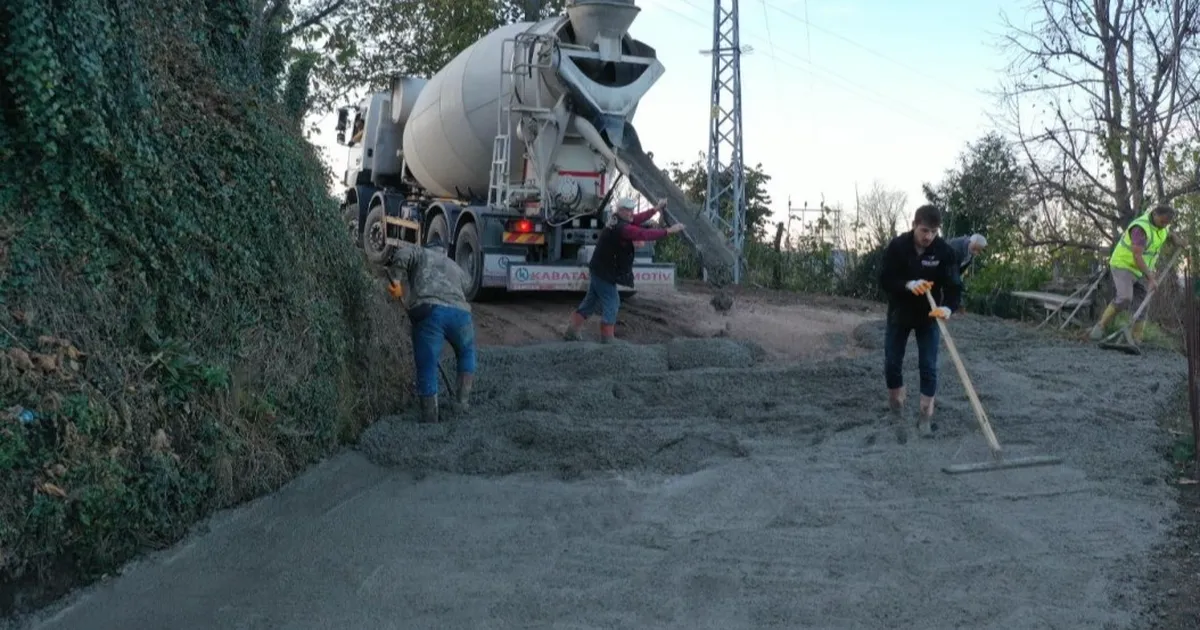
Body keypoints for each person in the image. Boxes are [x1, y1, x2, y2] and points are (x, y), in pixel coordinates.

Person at [879, 204, 963, 437]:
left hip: (929, 316)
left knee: (928, 365)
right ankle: (896, 412)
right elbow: (885, 279)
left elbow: (954, 287)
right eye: (925, 230)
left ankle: (925, 417)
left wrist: (948, 307)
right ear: (914, 224)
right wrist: (907, 285)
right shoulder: (898, 247)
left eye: (934, 232)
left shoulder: (945, 252)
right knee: (893, 362)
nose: (929, 236)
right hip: (900, 313)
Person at [376, 234, 477, 423]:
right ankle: (462, 403)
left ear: (428, 246)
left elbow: (403, 254)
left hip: (431, 313)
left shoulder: (421, 253)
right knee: (466, 353)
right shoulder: (454, 265)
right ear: (444, 251)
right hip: (461, 315)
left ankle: (430, 415)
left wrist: (397, 281)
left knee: (427, 362)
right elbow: (467, 286)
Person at [564, 197, 685, 342]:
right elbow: (642, 234)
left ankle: (572, 331)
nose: (631, 213)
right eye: (628, 210)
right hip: (604, 272)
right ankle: (607, 338)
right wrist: (668, 231)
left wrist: (656, 209)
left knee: (590, 302)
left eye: (632, 209)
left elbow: (637, 218)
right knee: (613, 302)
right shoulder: (622, 228)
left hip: (599, 268)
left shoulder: (616, 219)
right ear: (620, 210)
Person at [1089, 204, 1185, 342]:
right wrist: (1151, 278)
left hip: (1140, 270)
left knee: (1143, 302)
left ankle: (1136, 337)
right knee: (1125, 298)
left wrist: (1176, 239)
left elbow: (1167, 233)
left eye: (1167, 223)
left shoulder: (1162, 227)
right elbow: (1137, 257)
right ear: (1155, 214)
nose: (1164, 225)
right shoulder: (1140, 229)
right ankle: (1100, 327)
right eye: (1162, 221)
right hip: (1123, 264)